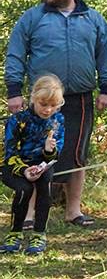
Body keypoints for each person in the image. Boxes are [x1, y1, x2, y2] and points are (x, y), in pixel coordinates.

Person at [5, 0, 107, 227]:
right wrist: (14, 91)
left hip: (80, 98)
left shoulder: (92, 19)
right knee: (34, 152)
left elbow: (105, 55)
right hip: (43, 99)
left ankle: (73, 211)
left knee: (77, 153)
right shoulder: (33, 18)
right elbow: (15, 54)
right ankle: (29, 214)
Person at [1, 75, 65, 255]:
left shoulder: (58, 120)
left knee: (46, 183)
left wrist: (49, 151)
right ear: (34, 98)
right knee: (25, 189)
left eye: (53, 105)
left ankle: (39, 234)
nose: (48, 110)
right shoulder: (17, 120)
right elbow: (9, 153)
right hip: (15, 164)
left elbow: (55, 154)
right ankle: (15, 233)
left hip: (41, 165)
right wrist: (24, 170)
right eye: (43, 104)